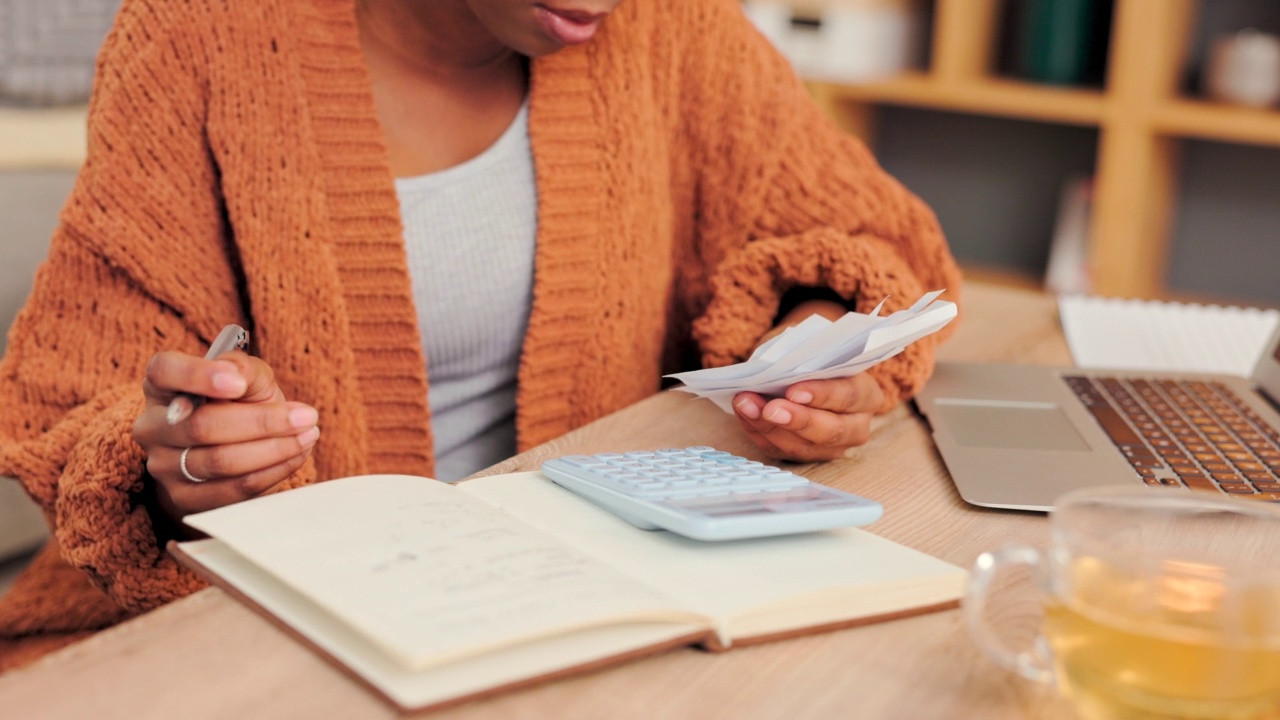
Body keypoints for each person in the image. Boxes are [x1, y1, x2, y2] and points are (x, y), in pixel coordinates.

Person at [0, 0, 961, 672]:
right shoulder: (201, 30)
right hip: (273, 631)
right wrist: (185, 467)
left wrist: (826, 342)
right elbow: (81, 398)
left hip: (594, 606)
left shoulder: (678, 24)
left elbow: (874, 236)